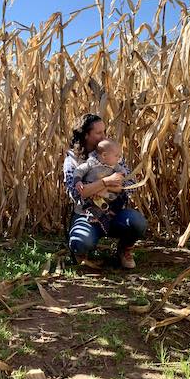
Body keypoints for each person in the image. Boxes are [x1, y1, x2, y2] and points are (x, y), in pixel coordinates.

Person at [63, 113, 147, 268]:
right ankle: (81, 253)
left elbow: (130, 185)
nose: (104, 136)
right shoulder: (72, 160)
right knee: (80, 242)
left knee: (138, 222)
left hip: (113, 213)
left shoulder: (110, 152)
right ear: (86, 135)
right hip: (86, 214)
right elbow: (75, 194)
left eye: (104, 131)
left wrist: (97, 188)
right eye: (99, 133)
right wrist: (107, 181)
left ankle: (124, 249)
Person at [73, 139, 127, 234]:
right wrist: (78, 181)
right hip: (93, 194)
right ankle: (95, 216)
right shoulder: (91, 164)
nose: (119, 158)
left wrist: (122, 175)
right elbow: (79, 170)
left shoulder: (115, 166)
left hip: (107, 194)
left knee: (121, 198)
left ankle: (111, 213)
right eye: (116, 156)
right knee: (91, 204)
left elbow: (123, 172)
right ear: (104, 155)